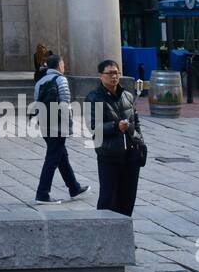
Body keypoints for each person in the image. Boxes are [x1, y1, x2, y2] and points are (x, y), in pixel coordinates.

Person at [85, 59, 144, 216]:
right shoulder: (94, 98)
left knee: (128, 198)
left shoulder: (127, 96)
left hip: (131, 155)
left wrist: (139, 140)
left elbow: (135, 121)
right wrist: (115, 126)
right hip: (109, 154)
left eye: (116, 73)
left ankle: (123, 232)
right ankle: (103, 232)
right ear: (101, 76)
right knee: (108, 198)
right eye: (110, 73)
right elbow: (94, 127)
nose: (114, 76)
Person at [33, 54, 89, 204]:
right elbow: (65, 104)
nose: (64, 66)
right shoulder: (61, 79)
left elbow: (36, 103)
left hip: (44, 124)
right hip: (58, 125)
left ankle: (74, 188)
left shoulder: (40, 81)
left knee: (61, 156)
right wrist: (69, 126)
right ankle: (42, 194)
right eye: (63, 64)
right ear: (58, 65)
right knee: (52, 158)